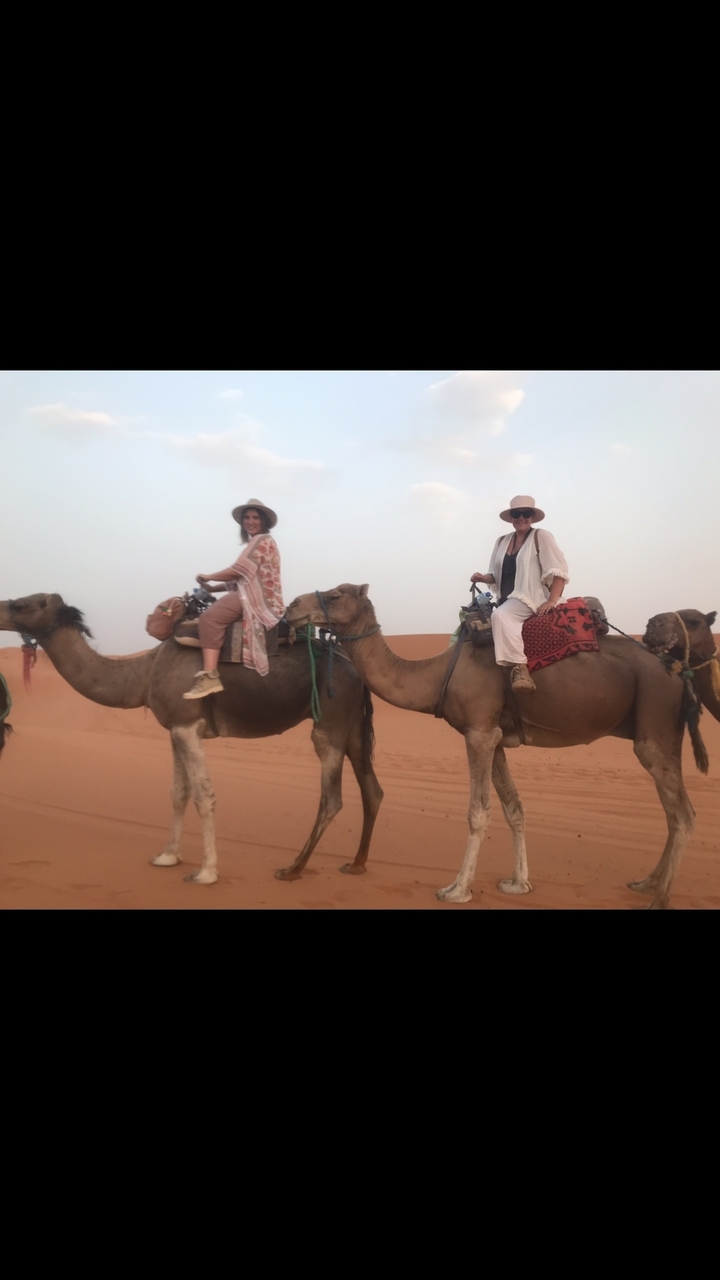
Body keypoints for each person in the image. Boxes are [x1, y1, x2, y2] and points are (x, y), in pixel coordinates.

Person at [183, 499, 285, 699]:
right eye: (246, 517)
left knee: (209, 619)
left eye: (255, 517)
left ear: (263, 521)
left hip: (257, 599)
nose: (250, 521)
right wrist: (213, 587)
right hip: (254, 594)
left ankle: (210, 676)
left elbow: (238, 570)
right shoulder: (261, 542)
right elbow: (242, 578)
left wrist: (210, 575)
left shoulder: (261, 541)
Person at [471, 495, 569, 693]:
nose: (521, 517)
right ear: (511, 517)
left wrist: (552, 600)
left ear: (532, 516)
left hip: (529, 597)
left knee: (501, 616)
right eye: (517, 513)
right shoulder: (502, 541)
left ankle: (520, 668)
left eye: (526, 513)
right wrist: (483, 578)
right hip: (506, 599)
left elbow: (558, 570)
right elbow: (495, 575)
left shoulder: (541, 536)